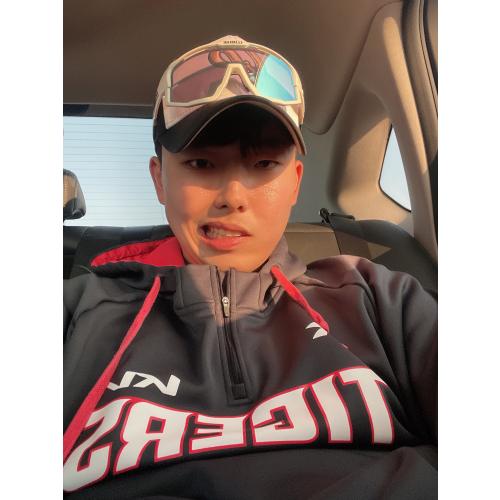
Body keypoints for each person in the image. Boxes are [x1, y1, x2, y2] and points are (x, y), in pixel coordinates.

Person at [63, 35, 437, 499]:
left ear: (295, 182)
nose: (233, 197)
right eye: (201, 163)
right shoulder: (79, 312)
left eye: (263, 163)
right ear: (160, 180)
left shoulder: (379, 299)